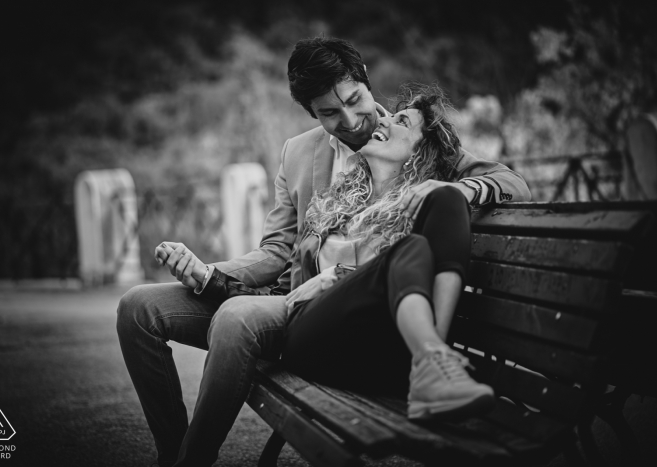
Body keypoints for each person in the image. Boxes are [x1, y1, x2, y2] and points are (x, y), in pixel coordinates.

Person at [116, 36, 531, 467]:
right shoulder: (299, 153)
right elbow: (277, 250)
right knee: (137, 308)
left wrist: (461, 188)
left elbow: (511, 183)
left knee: (238, 316)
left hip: (356, 311)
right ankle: (172, 452)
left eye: (355, 100)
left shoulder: (418, 138)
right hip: (290, 300)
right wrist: (208, 272)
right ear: (311, 112)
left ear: (367, 82)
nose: (350, 121)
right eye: (330, 113)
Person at [282, 82, 493, 418]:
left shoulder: (423, 205)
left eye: (402, 122)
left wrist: (463, 188)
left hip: (384, 354)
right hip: (313, 336)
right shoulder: (332, 203)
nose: (383, 121)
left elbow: (515, 183)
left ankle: (430, 365)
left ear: (422, 150)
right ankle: (433, 362)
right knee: (411, 249)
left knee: (445, 203)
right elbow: (287, 276)